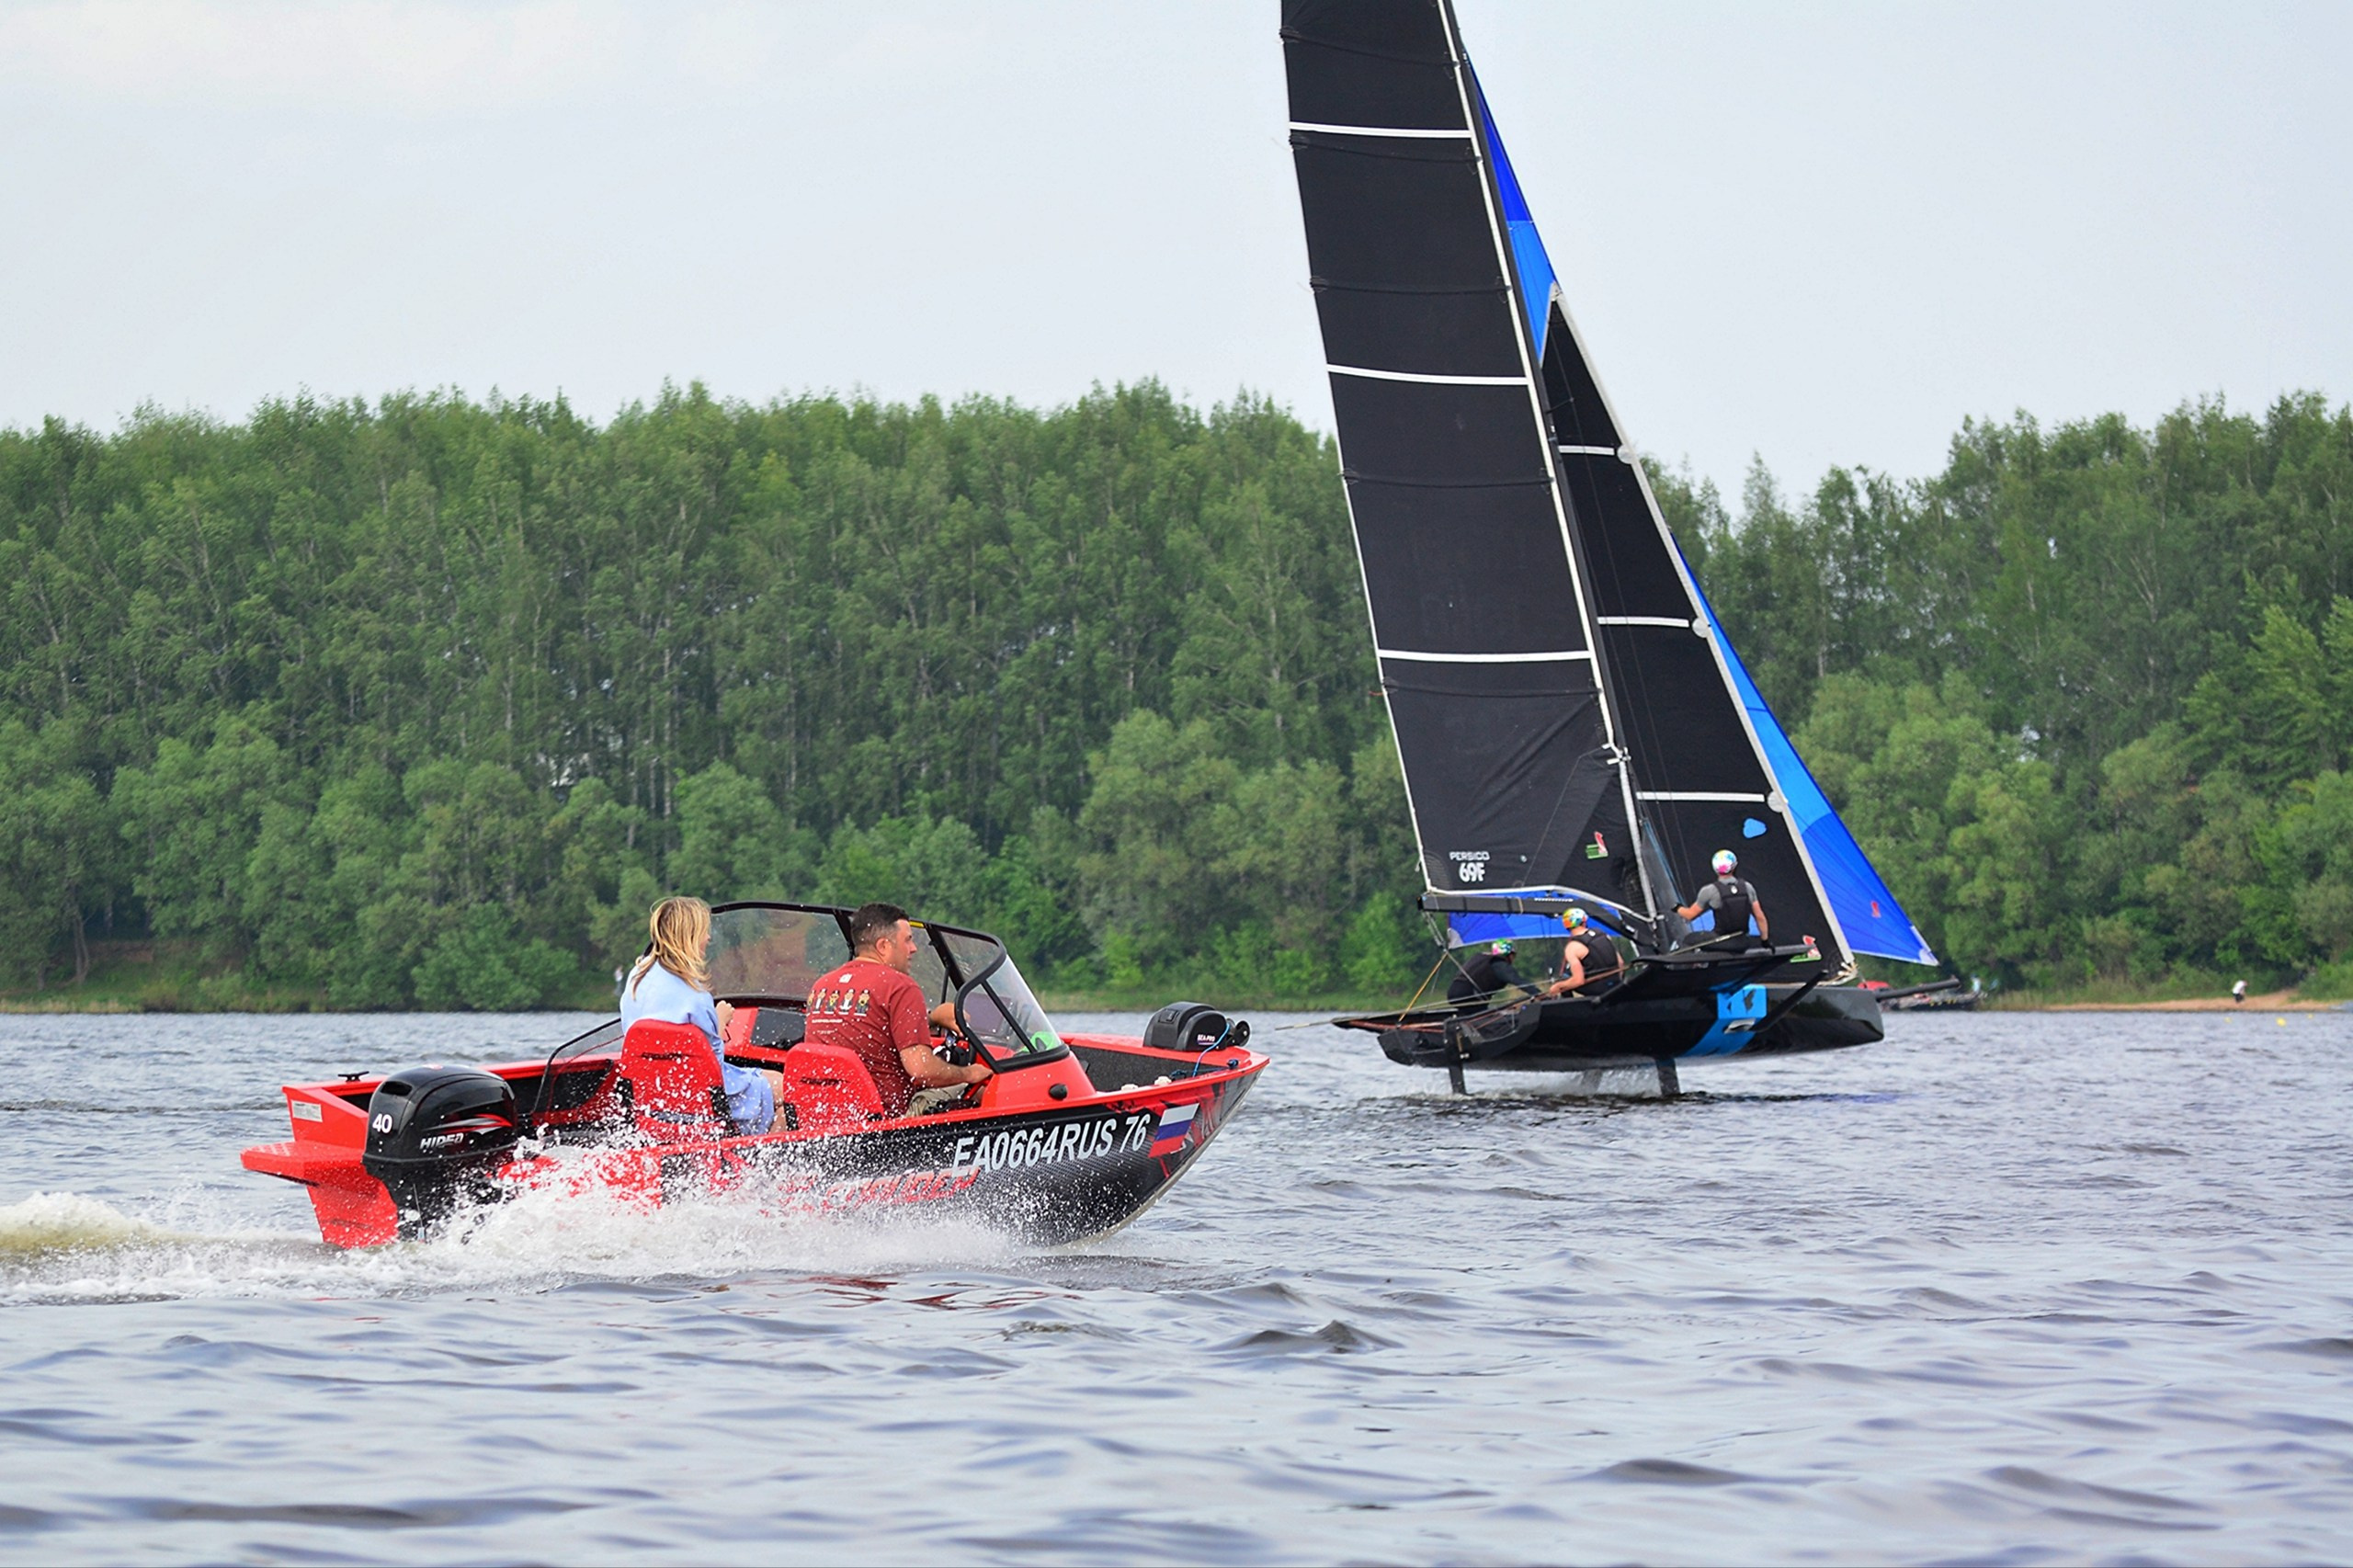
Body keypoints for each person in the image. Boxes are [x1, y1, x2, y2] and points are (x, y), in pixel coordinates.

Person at [803, 902, 993, 1118]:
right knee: (983, 1092)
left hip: (826, 1116)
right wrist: (968, 1073)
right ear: (884, 946)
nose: (914, 949)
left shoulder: (822, 987)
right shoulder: (900, 986)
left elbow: (869, 1025)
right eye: (908, 940)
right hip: (886, 1120)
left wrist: (930, 1019)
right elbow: (921, 1070)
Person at [620, 896, 781, 1133]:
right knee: (788, 1088)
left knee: (768, 1078)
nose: (708, 938)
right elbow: (711, 1068)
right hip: (705, 1103)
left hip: (657, 1101)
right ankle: (762, 1162)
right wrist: (719, 1020)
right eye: (704, 932)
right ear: (690, 937)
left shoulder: (636, 978)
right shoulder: (695, 997)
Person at [1677, 849, 1769, 946]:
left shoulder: (1709, 890)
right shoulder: (1747, 887)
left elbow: (1690, 915)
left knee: (1689, 939)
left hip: (1721, 941)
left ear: (1715, 868)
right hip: (1743, 942)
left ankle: (1696, 960)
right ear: (1734, 866)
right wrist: (1765, 941)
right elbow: (1760, 917)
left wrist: (1677, 908)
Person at [1552, 906, 1625, 994]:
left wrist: (1558, 986)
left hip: (1598, 991)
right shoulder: (1602, 934)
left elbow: (1578, 981)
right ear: (1584, 921)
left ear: (1566, 925)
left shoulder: (1572, 947)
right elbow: (1620, 963)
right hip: (1616, 985)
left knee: (1565, 978)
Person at [1448, 939, 1533, 1006]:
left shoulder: (1481, 958)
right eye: (1513, 955)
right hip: (1468, 994)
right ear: (1509, 954)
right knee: (1485, 1018)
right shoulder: (1500, 965)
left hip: (1452, 992)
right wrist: (1539, 994)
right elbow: (1518, 981)